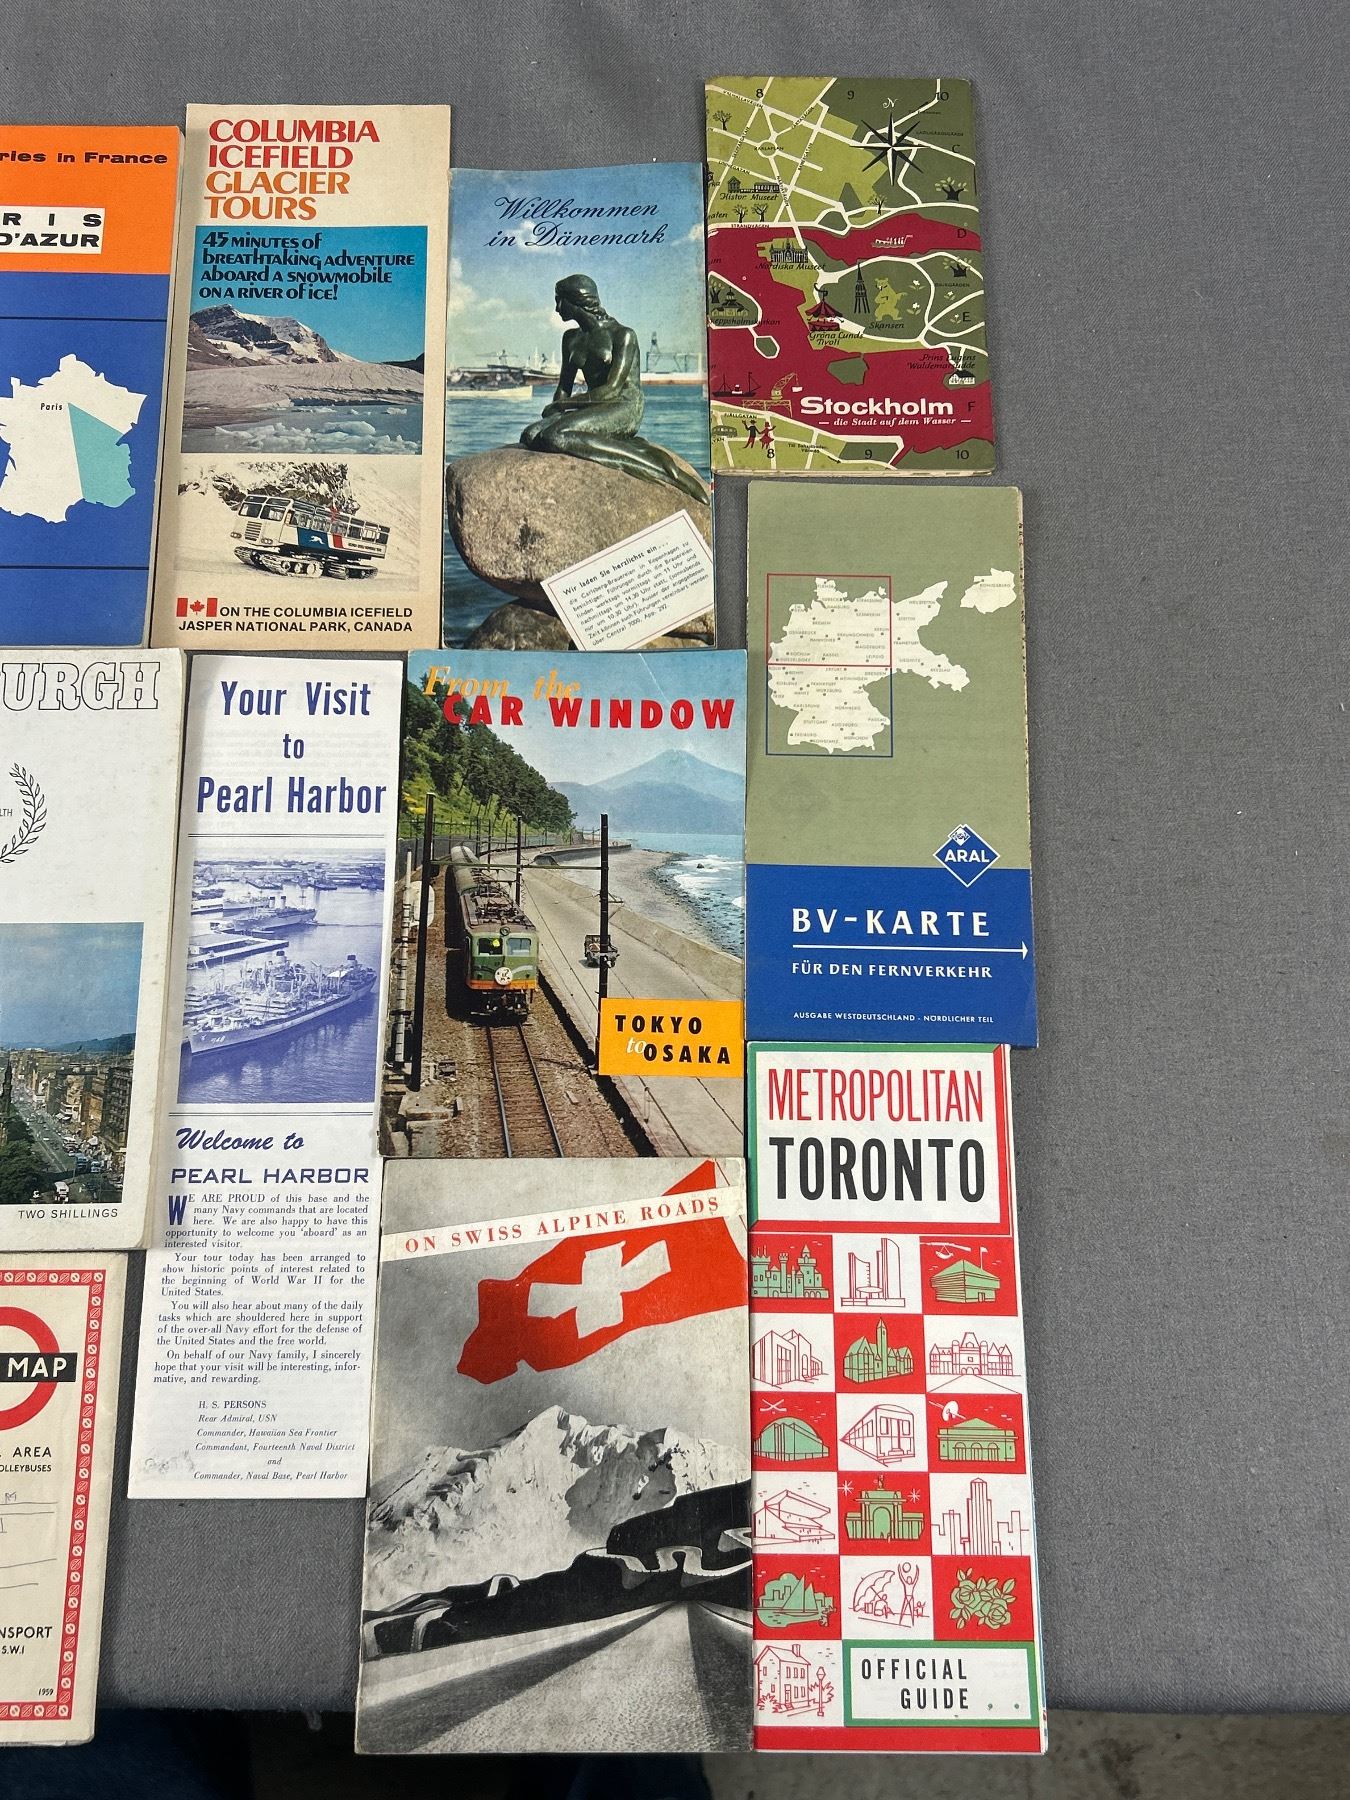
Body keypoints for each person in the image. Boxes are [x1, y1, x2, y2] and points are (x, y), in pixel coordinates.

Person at [521, 274, 708, 503]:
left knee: (555, 436)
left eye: (560, 301)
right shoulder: (570, 338)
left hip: (623, 405)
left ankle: (665, 471)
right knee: (530, 435)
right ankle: (619, 444)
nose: (557, 308)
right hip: (593, 406)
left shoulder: (622, 335)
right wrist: (554, 411)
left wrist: (562, 406)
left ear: (577, 301)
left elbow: (611, 389)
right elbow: (564, 387)